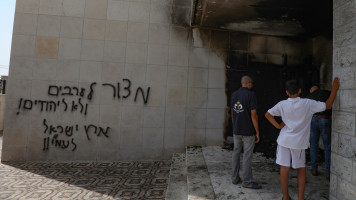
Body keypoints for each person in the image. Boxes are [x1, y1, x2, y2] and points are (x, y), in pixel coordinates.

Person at [265, 78, 339, 200]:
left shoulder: (282, 104)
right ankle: (300, 198)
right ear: (300, 91)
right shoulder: (308, 103)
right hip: (298, 143)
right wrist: (334, 89)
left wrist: (278, 126)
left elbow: (268, 114)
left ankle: (285, 197)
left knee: (284, 168)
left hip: (284, 140)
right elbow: (328, 105)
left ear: (287, 93)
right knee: (301, 169)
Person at [230, 75, 261, 189]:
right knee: (247, 156)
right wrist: (257, 132)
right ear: (248, 83)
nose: (252, 85)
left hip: (236, 130)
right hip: (248, 131)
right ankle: (247, 182)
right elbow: (254, 115)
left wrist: (235, 126)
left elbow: (233, 113)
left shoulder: (234, 95)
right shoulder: (251, 95)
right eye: (252, 83)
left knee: (236, 153)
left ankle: (234, 178)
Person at [306, 85, 332, 180]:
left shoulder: (310, 96)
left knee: (313, 145)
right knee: (327, 146)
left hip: (313, 119)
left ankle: (314, 169)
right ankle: (328, 172)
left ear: (312, 90)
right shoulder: (327, 93)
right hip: (325, 120)